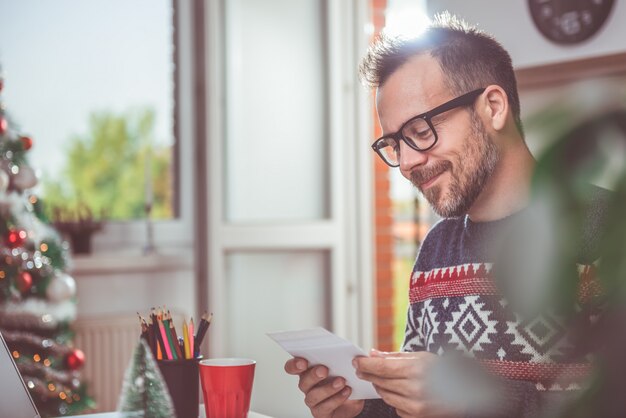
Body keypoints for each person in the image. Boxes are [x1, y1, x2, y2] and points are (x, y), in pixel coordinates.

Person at [284, 12, 611, 418]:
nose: (405, 163)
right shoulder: (436, 249)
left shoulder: (609, 230)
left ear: (493, 107)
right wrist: (362, 409)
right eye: (394, 143)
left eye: (421, 131)